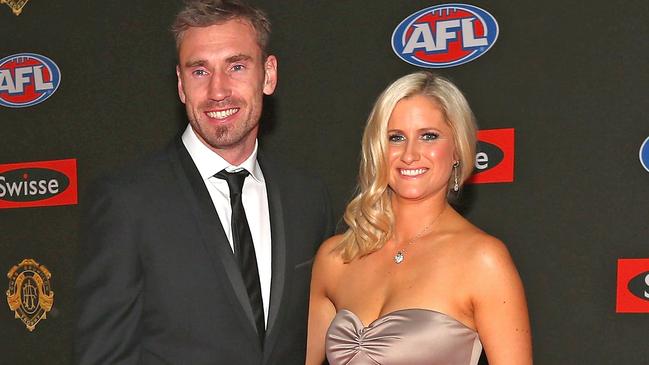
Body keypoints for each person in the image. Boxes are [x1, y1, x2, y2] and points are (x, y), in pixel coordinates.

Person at [74, 1, 334, 364]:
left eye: (237, 66)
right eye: (199, 72)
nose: (217, 91)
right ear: (181, 85)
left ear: (269, 74)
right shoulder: (128, 201)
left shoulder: (306, 198)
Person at [306, 71, 532, 365]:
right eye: (396, 138)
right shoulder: (336, 258)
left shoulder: (482, 259)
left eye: (429, 136)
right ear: (378, 149)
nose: (410, 155)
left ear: (457, 151)